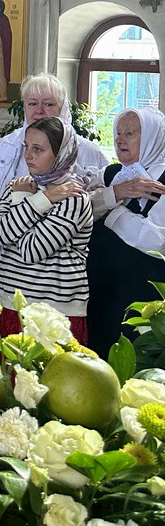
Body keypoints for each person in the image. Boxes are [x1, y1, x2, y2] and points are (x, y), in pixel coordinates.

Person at [0, 116, 92, 347]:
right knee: (9, 382)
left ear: (61, 154)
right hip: (11, 302)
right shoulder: (19, 185)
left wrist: (27, 200)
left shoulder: (74, 196)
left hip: (55, 310)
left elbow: (31, 251)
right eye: (27, 147)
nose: (28, 155)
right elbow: (0, 233)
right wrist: (44, 197)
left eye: (38, 149)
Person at [0, 73, 108, 248]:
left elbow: (95, 203)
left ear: (62, 107)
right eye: (32, 103)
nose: (39, 110)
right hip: (6, 254)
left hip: (53, 256)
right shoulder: (6, 145)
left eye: (48, 104)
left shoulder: (87, 151)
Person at [86, 107, 165, 357]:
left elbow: (155, 239)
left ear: (153, 137)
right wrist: (114, 194)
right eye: (118, 132)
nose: (120, 139)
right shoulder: (111, 173)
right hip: (100, 289)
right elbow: (81, 210)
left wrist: (112, 212)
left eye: (130, 133)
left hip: (140, 295)